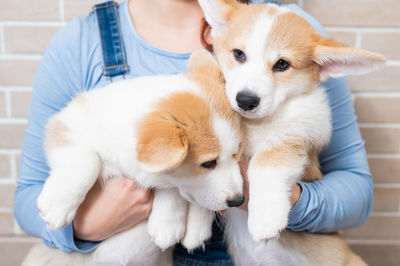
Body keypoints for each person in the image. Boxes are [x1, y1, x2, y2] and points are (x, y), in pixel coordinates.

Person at [14, 0, 373, 265]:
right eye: (239, 56)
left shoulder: (289, 27)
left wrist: (284, 198)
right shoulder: (81, 43)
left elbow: (356, 190)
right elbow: (30, 199)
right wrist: (86, 225)